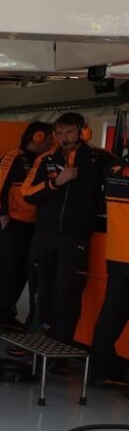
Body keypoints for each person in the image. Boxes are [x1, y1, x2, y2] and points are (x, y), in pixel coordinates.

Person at [21, 112, 106, 360]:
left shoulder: (99, 159)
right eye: (59, 133)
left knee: (67, 294)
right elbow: (27, 193)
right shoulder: (46, 159)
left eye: (69, 131)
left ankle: (60, 353)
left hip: (75, 238)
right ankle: (37, 346)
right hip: (45, 237)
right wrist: (55, 182)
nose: (64, 137)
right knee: (41, 292)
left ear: (83, 131)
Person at [0, 123, 51, 330]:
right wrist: (2, 215)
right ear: (38, 137)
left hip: (27, 223)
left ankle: (6, 314)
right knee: (7, 270)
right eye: (50, 139)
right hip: (8, 221)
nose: (52, 143)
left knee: (21, 271)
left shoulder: (39, 161)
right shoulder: (13, 157)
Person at [91, 158, 129, 387]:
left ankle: (100, 368)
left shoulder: (113, 169)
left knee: (112, 313)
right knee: (114, 313)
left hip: (115, 252)